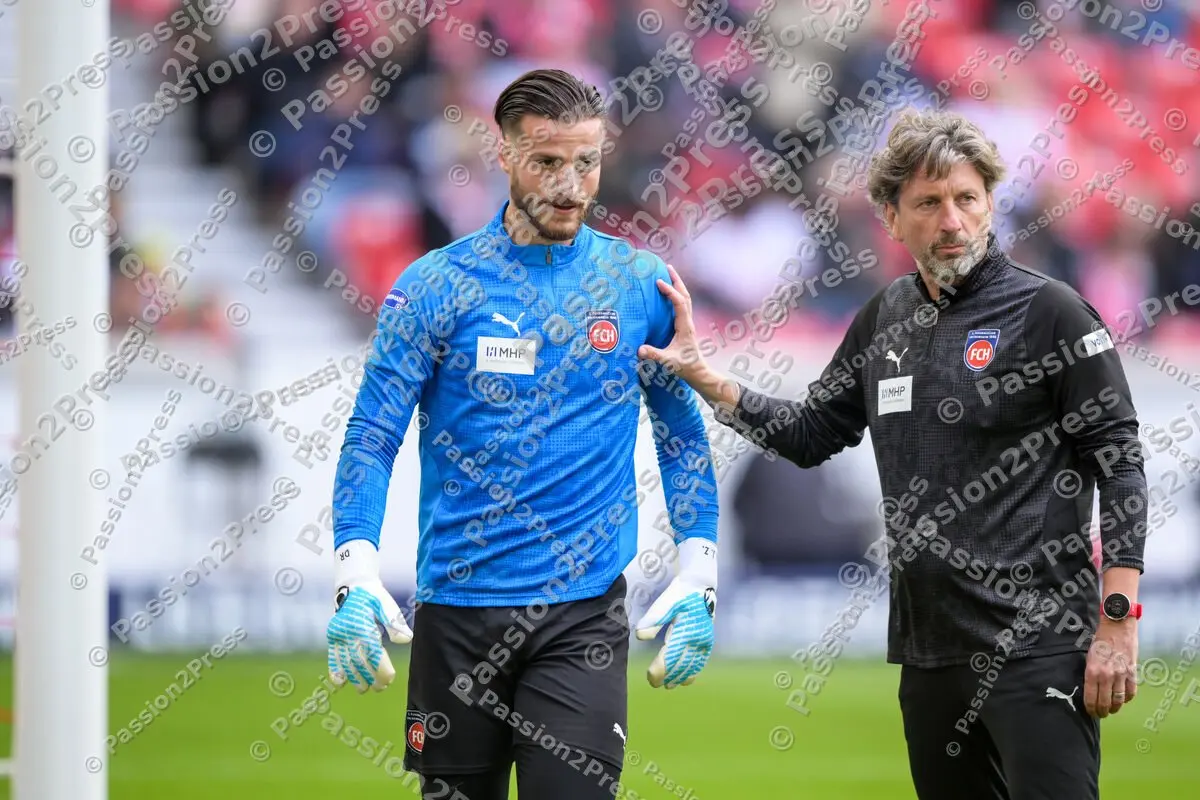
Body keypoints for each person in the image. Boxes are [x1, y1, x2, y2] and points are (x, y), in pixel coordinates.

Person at [639, 108, 1148, 800]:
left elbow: (1120, 463)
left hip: (1039, 647)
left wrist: (1116, 624)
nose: (952, 221)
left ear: (991, 203)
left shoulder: (1050, 312)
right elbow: (813, 432)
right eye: (929, 203)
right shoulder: (886, 318)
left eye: (967, 199)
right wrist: (709, 379)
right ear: (890, 215)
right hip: (929, 654)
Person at [324, 69, 721, 800]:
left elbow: (682, 436)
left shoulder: (641, 287)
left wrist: (700, 570)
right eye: (546, 161)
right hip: (456, 613)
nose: (571, 184)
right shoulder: (434, 287)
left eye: (587, 161)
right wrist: (354, 567)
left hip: (581, 614)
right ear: (502, 154)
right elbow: (372, 435)